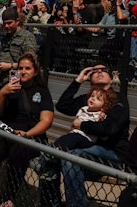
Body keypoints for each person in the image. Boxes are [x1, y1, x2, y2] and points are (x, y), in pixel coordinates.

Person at [0, 52, 53, 207]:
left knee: (18, 153)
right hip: (6, 130)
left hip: (30, 135)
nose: (22, 71)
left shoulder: (42, 91)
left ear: (35, 71)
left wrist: (27, 134)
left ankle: (9, 200)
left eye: (27, 68)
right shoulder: (9, 88)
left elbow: (46, 121)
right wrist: (2, 93)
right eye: (20, 68)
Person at [54, 64, 129, 206]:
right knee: (51, 160)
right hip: (86, 151)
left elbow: (109, 129)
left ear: (111, 79)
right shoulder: (88, 100)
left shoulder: (118, 99)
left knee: (71, 158)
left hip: (112, 154)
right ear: (90, 79)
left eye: (104, 70)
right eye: (95, 71)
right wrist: (78, 81)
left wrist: (81, 124)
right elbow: (62, 106)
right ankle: (51, 202)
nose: (99, 71)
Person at [0, 7, 37, 93]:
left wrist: (9, 66)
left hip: (17, 85)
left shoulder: (27, 37)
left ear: (17, 21)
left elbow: (31, 62)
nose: (6, 26)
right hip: (1, 83)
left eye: (9, 23)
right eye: (4, 24)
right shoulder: (5, 38)